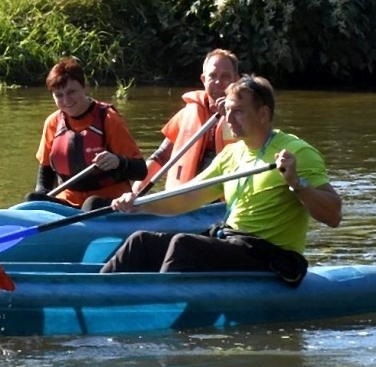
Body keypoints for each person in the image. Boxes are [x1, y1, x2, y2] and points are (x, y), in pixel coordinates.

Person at [99, 74, 342, 285]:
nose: (229, 119)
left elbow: (333, 216)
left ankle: (159, 317)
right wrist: (139, 204)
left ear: (263, 114)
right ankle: (95, 296)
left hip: (272, 255)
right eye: (227, 111)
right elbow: (187, 198)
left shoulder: (297, 152)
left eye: (238, 111)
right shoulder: (232, 153)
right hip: (232, 241)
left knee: (184, 245)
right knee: (140, 241)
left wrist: (297, 184)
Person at [29, 56, 147, 210]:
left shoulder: (109, 119)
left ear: (84, 87)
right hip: (68, 204)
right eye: (59, 95)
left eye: (71, 92)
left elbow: (141, 171)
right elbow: (44, 177)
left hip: (108, 201)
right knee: (33, 199)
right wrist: (40, 206)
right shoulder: (53, 123)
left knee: (91, 204)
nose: (66, 100)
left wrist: (118, 161)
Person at [137, 48, 238, 193]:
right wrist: (136, 190)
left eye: (226, 77)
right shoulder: (187, 114)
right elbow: (161, 156)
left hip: (227, 199)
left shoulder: (246, 116)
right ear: (203, 80)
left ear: (236, 80)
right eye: (213, 76)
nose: (218, 81)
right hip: (185, 199)